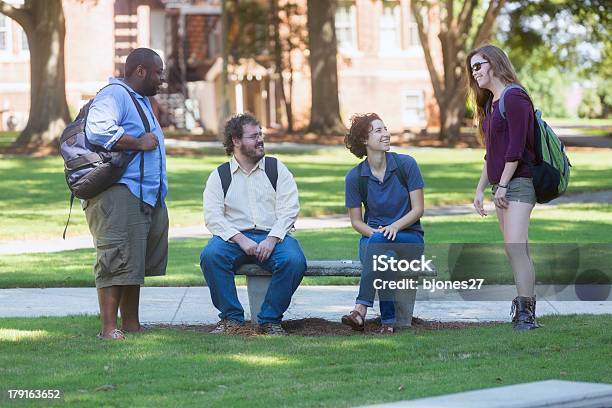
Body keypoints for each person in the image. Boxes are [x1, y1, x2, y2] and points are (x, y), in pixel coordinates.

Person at [84, 48, 168, 340]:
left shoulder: (141, 101)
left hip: (143, 195)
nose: (162, 78)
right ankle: (108, 329)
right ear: (140, 71)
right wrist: (137, 143)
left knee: (133, 262)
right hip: (120, 193)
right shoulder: (114, 95)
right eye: (158, 72)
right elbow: (97, 129)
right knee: (115, 257)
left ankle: (132, 324)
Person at [200, 113, 306, 336]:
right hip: (233, 239)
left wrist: (272, 239)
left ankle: (269, 320)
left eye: (260, 135)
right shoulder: (220, 176)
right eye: (253, 136)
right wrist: (240, 239)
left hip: (273, 237)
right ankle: (232, 320)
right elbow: (213, 216)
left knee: (294, 260)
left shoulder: (276, 169)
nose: (260, 140)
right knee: (211, 256)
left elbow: (290, 209)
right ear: (236, 141)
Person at [467, 44, 539, 331]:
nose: (474, 74)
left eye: (478, 66)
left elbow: (516, 147)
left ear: (494, 63)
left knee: (516, 247)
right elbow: (492, 153)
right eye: (471, 68)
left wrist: (504, 184)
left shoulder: (515, 97)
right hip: (501, 186)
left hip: (519, 183)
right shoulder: (490, 103)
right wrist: (481, 189)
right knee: (515, 250)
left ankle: (525, 315)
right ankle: (524, 307)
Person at [341, 113, 425, 334]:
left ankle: (360, 308)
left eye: (385, 129)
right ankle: (388, 321)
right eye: (378, 131)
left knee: (381, 246)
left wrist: (394, 227)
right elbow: (356, 222)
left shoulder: (406, 164)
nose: (386, 134)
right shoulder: (355, 177)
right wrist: (376, 234)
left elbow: (418, 210)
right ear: (364, 141)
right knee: (385, 258)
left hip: (409, 239)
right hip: (373, 241)